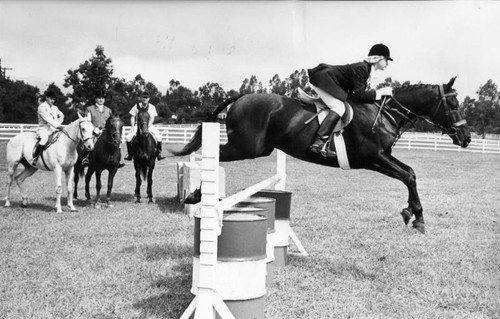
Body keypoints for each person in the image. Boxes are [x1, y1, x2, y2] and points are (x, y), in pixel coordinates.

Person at [307, 43, 394, 155]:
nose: (387, 63)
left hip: (331, 82)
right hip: (324, 80)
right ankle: (319, 142)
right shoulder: (362, 69)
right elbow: (360, 95)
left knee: (345, 105)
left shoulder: (367, 71)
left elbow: (357, 96)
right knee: (338, 107)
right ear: (379, 58)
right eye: (386, 60)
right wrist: (380, 92)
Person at [81, 90, 125, 168]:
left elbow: (111, 122)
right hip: (94, 132)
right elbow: (88, 121)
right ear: (95, 99)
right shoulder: (89, 109)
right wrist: (94, 129)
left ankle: (118, 160)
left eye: (102, 98)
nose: (101, 100)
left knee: (117, 142)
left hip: (106, 131)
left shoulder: (108, 110)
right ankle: (86, 158)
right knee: (90, 143)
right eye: (99, 98)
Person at [124, 91, 165, 161]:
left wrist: (147, 126)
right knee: (128, 138)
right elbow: (132, 117)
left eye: (146, 98)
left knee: (158, 136)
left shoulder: (152, 107)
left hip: (148, 125)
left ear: (149, 99)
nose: (145, 99)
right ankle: (130, 154)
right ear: (141, 98)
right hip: (138, 125)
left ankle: (159, 153)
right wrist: (132, 127)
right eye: (143, 97)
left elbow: (152, 118)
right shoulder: (136, 106)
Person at [32, 89, 64, 165]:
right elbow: (47, 118)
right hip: (44, 129)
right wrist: (57, 126)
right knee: (44, 140)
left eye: (54, 99)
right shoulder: (41, 107)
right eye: (51, 99)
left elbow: (62, 115)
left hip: (54, 128)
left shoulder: (55, 108)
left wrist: (58, 123)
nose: (52, 101)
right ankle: (35, 158)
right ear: (46, 98)